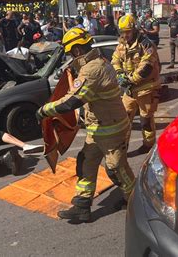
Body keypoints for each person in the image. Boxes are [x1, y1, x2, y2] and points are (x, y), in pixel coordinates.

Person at [36, 27, 135, 222]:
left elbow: (72, 101)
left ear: (77, 51)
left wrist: (44, 110)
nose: (71, 57)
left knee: (116, 168)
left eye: (70, 53)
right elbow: (79, 96)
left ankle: (134, 200)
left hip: (112, 129)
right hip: (98, 128)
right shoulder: (92, 64)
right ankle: (82, 205)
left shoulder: (93, 69)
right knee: (86, 162)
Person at [111, 14, 161, 153]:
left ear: (134, 29)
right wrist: (119, 73)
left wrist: (129, 80)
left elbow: (146, 67)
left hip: (146, 88)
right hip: (130, 89)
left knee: (146, 120)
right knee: (124, 119)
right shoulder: (121, 45)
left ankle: (148, 146)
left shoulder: (146, 45)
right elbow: (115, 60)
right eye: (122, 32)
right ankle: (122, 147)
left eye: (127, 31)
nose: (125, 35)